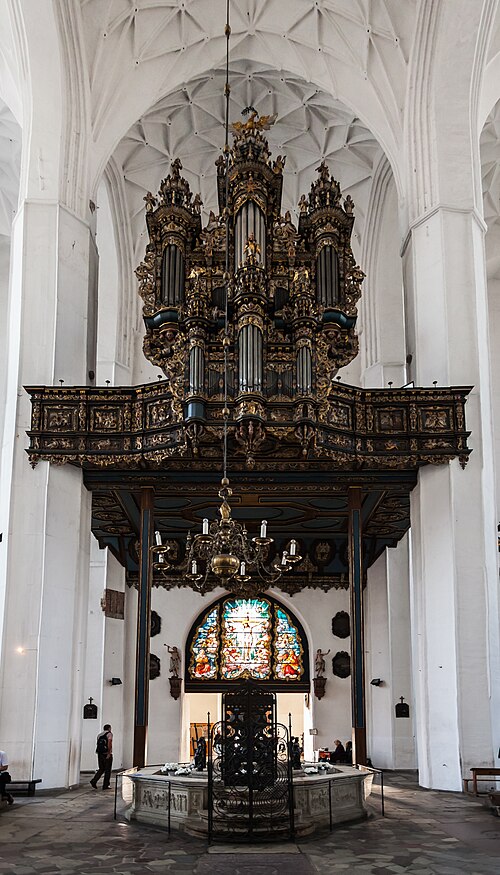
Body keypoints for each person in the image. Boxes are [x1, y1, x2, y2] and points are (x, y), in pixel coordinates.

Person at [90, 724, 113, 790]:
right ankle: (105, 785)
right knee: (108, 770)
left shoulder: (99, 735)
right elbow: (109, 743)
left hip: (100, 754)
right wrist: (109, 753)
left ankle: (94, 780)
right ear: (109, 728)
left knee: (101, 768)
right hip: (106, 753)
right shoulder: (109, 734)